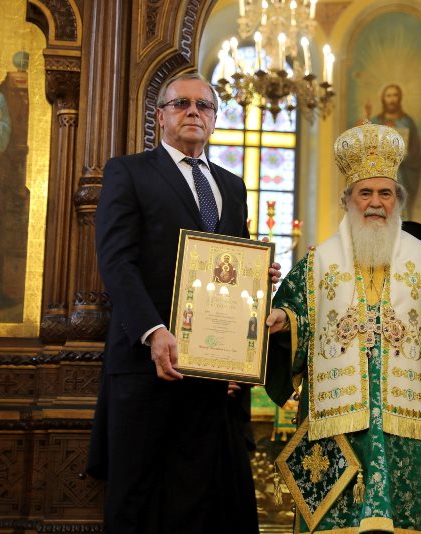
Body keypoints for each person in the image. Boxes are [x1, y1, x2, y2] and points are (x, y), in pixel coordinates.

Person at [265, 122, 421, 533]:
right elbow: (294, 316)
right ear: (348, 200)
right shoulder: (318, 263)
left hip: (406, 427)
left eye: (385, 193)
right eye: (365, 193)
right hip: (337, 430)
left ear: (398, 200)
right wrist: (283, 321)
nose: (375, 203)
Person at [89, 72, 280, 534]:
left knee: (207, 505)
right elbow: (117, 262)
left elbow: (229, 269)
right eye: (181, 104)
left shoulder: (231, 186)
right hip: (146, 366)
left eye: (204, 106)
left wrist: (259, 278)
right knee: (140, 502)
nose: (194, 112)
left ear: (214, 119)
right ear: (160, 117)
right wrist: (153, 331)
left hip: (212, 380)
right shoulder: (129, 172)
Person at [367, 84, 421, 209]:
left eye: (395, 95)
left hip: (403, 175)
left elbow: (416, 153)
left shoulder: (408, 122)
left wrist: (403, 157)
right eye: (388, 96)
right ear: (383, 99)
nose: (392, 99)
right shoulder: (374, 122)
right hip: (379, 175)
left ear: (400, 98)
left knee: (399, 208)